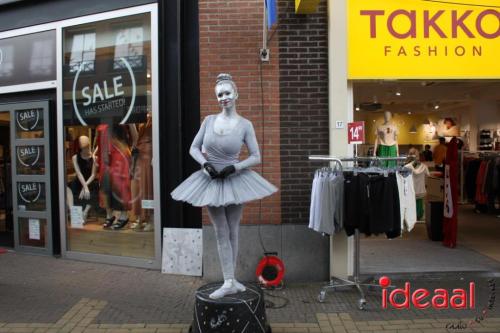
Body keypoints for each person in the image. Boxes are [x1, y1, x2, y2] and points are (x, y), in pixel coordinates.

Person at [171, 73, 278, 299]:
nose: (223, 97)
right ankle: (228, 280)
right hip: (210, 181)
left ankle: (232, 279)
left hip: (234, 180)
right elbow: (193, 148)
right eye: (219, 94)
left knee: (233, 229)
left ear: (236, 94)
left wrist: (236, 167)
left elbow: (256, 156)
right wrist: (205, 163)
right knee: (221, 229)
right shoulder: (208, 121)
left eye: (227, 93)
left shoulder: (245, 125)